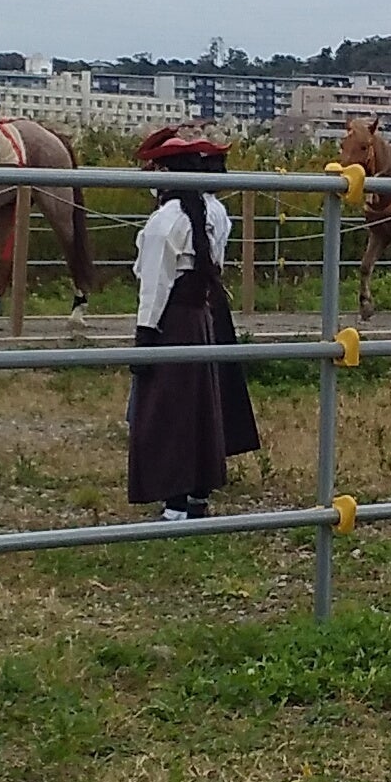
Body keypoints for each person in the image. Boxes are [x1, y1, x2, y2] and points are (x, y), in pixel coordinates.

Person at [127, 130, 262, 518]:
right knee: (201, 406)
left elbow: (155, 284)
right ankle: (197, 496)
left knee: (167, 409)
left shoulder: (165, 222)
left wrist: (145, 334)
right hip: (201, 316)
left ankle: (174, 501)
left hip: (172, 321)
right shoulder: (208, 214)